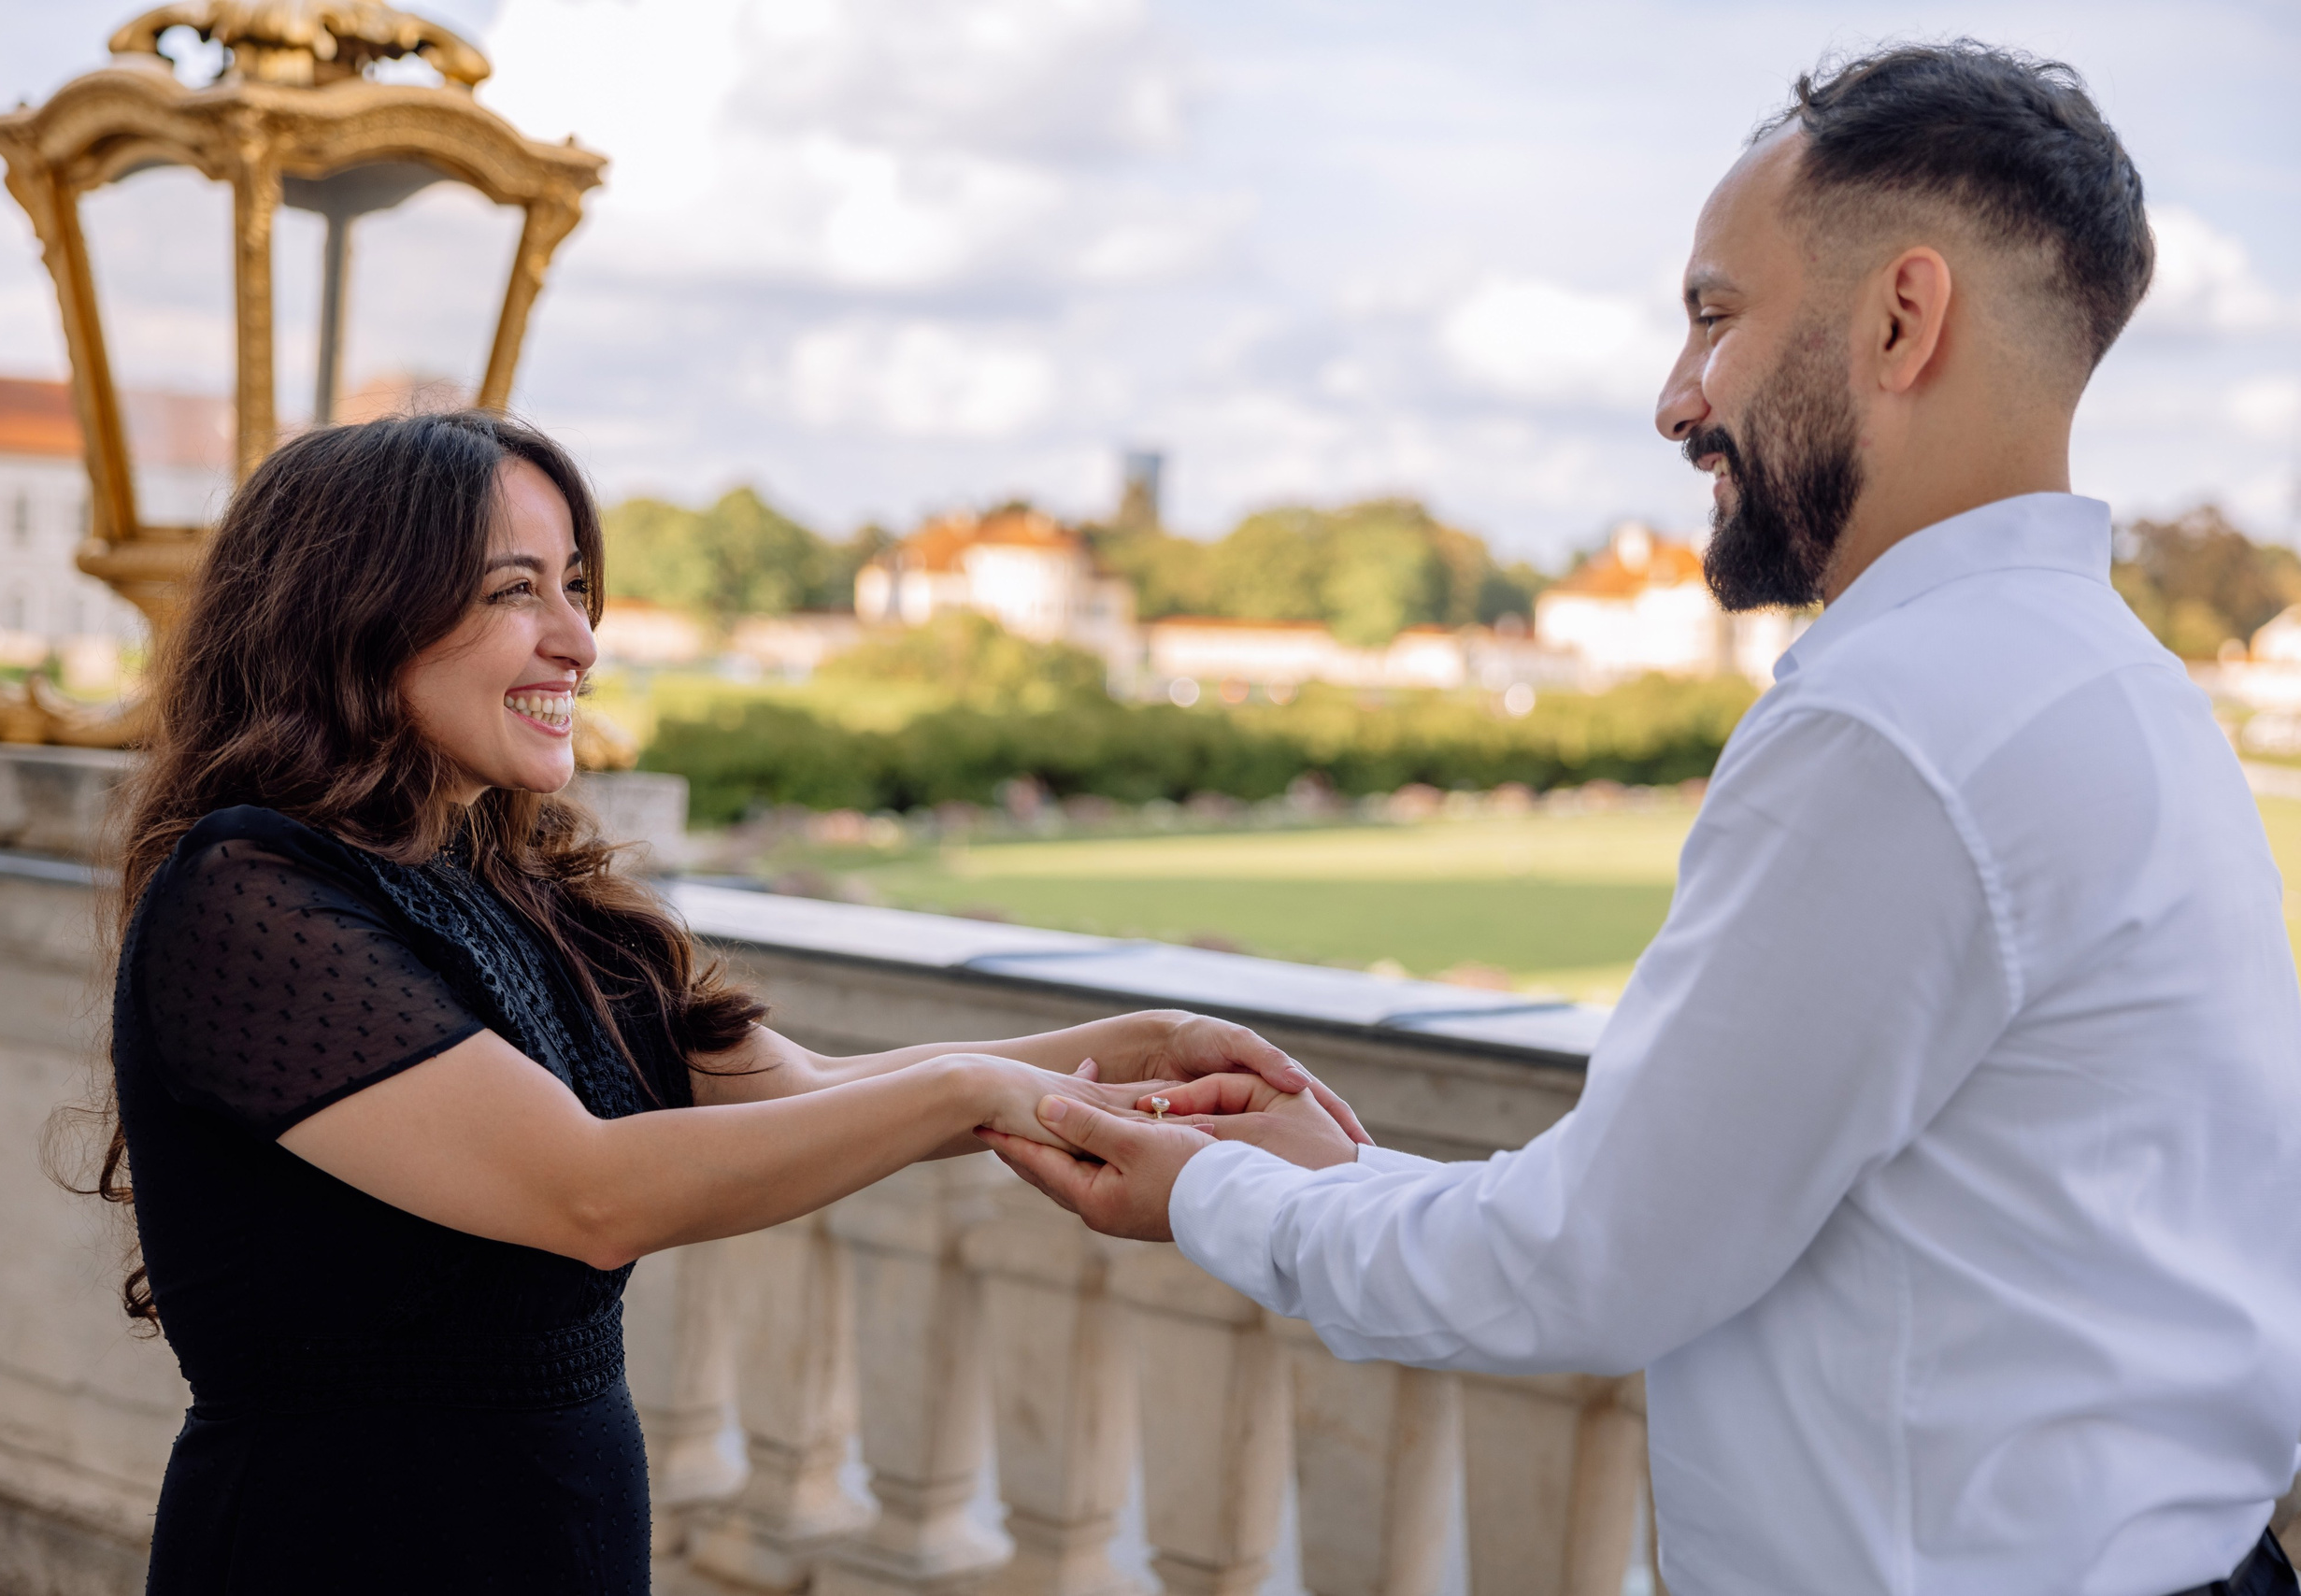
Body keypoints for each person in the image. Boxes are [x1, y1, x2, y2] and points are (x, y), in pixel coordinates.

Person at [984, 42, 2301, 1596]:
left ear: (1902, 317)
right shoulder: (2118, 689)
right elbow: (1706, 1216)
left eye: (1714, 316)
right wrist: (1334, 1185)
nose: (1678, 400)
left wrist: (1213, 1195)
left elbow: (1586, 1269)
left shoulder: (1896, 720)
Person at [93, 410, 1360, 1594]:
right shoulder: (247, 897)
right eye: (514, 591)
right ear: (354, 616)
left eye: (576, 589)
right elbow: (588, 1193)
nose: (579, 642)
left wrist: (1139, 1048)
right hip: (339, 1547)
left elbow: (803, 1096)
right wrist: (978, 1092)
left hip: (552, 1532)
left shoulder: (514, 884)